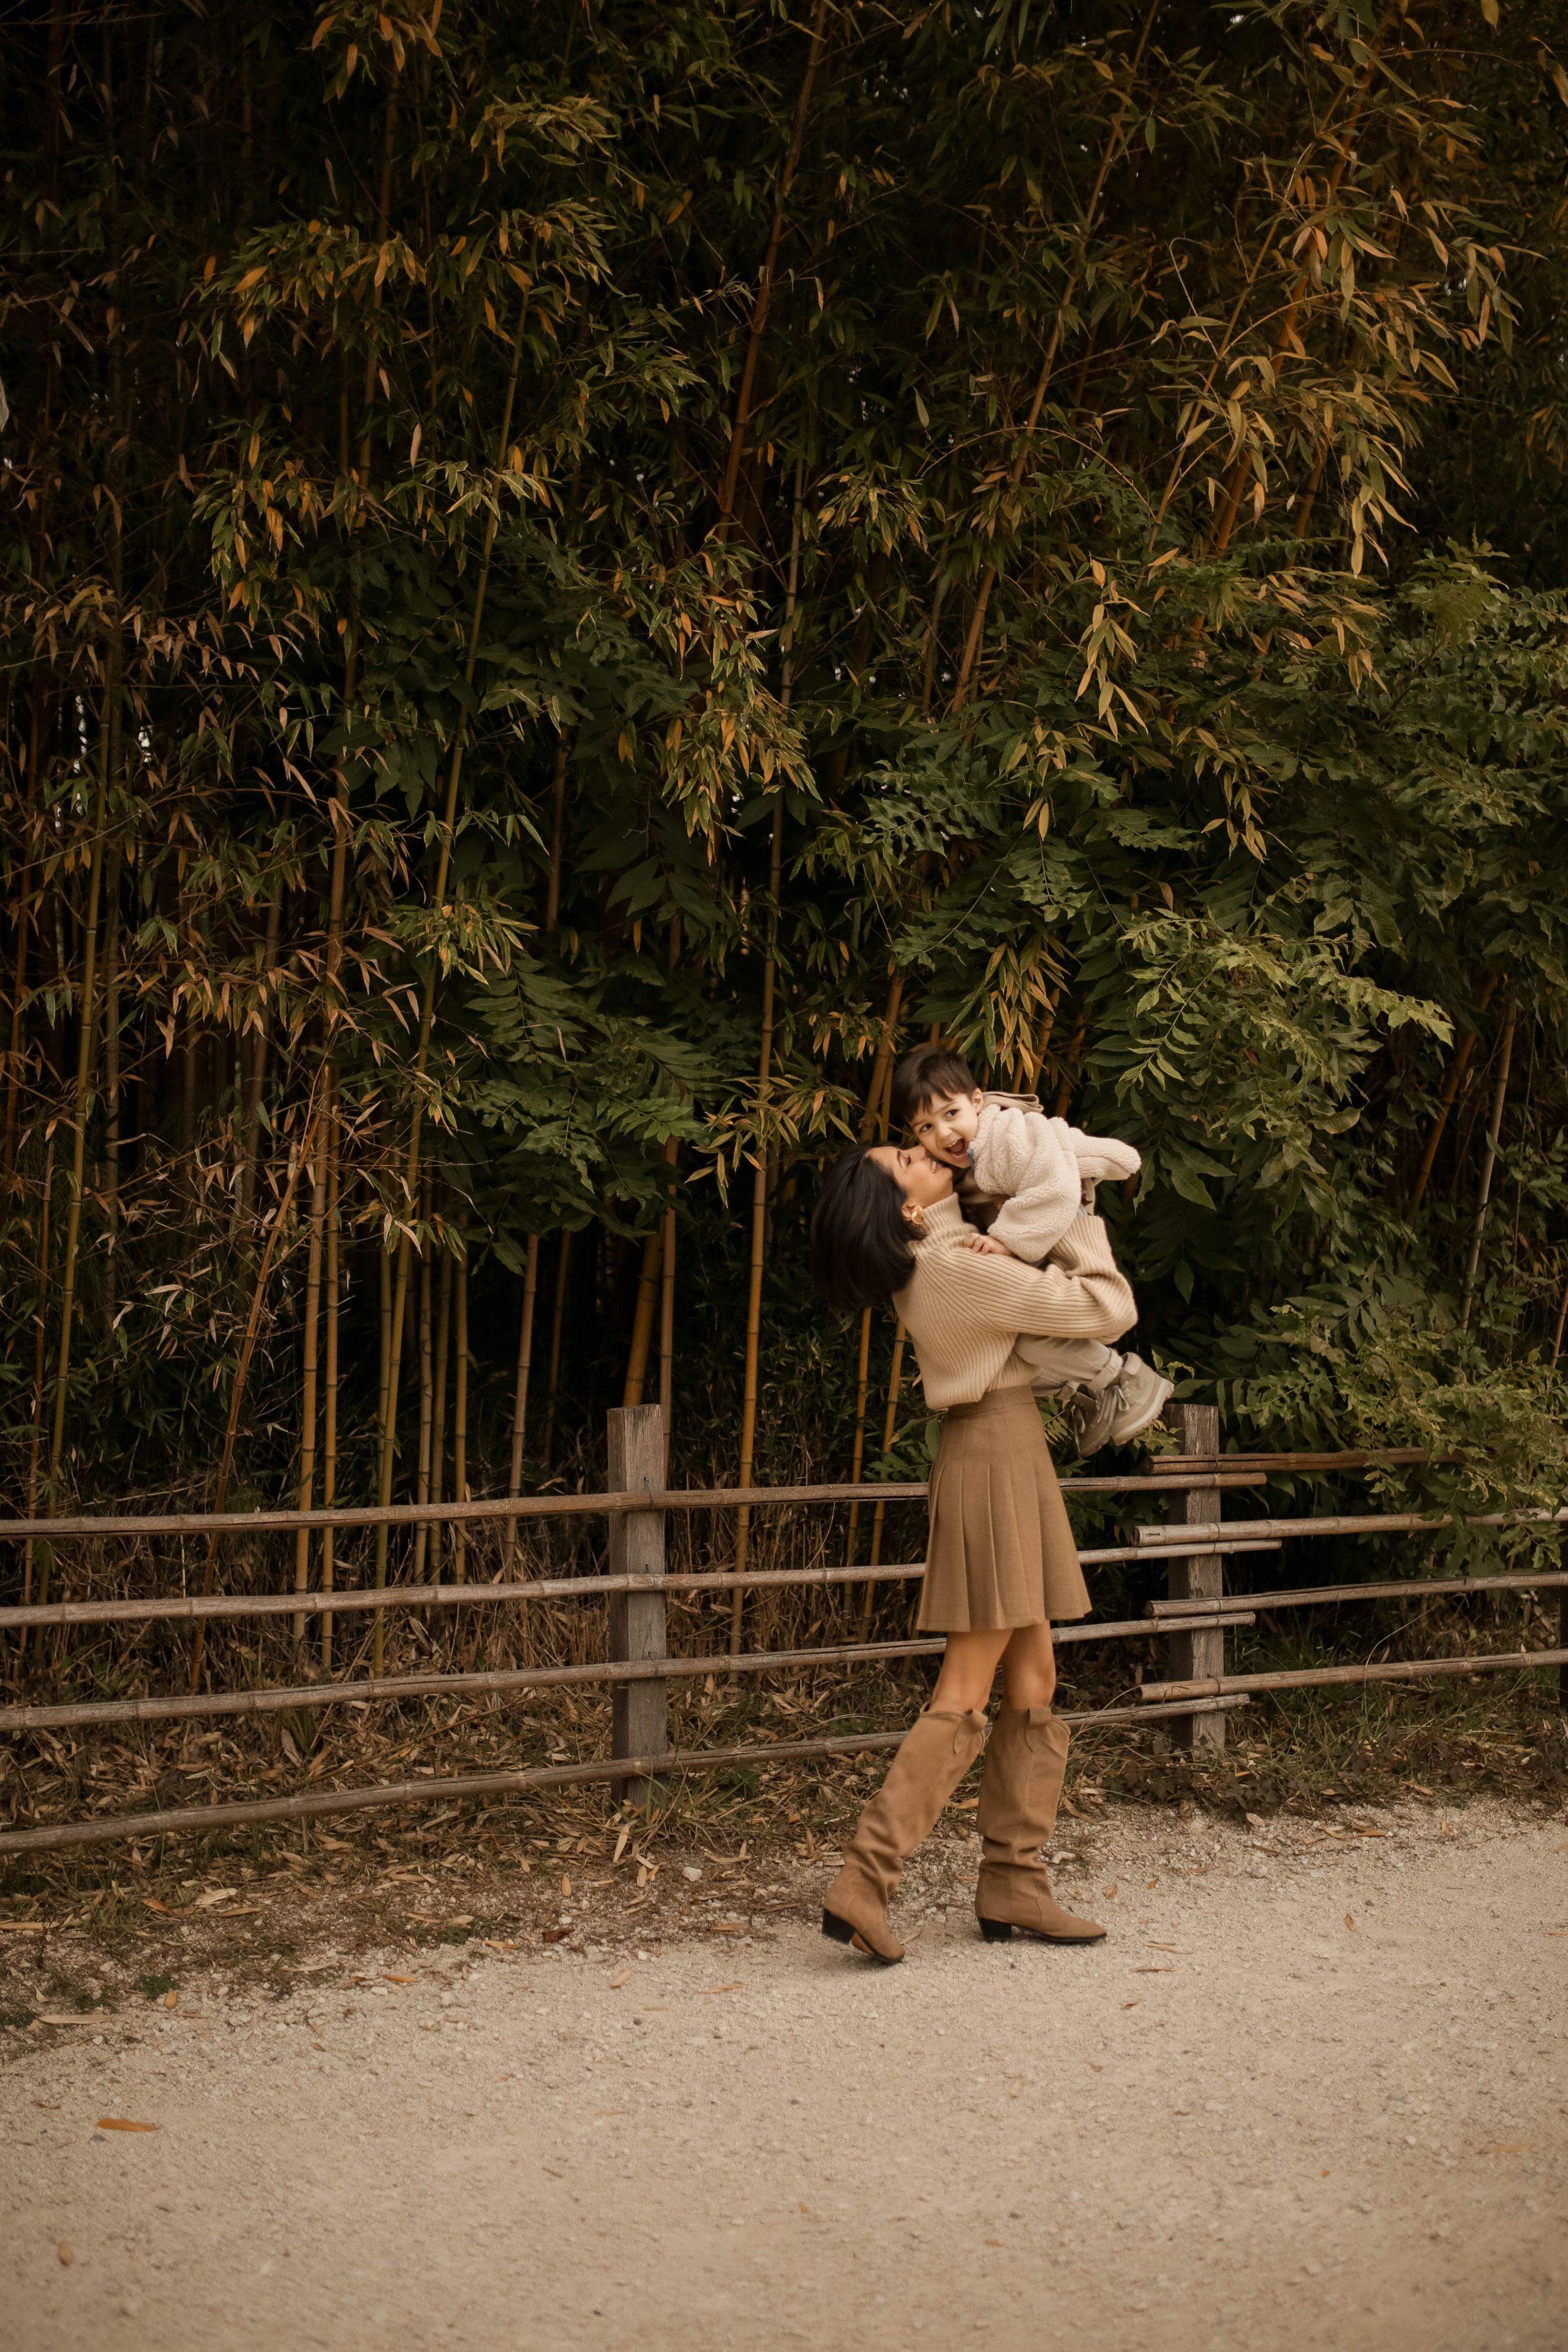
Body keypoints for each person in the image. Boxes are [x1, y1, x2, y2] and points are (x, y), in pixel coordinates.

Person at [809, 1137, 1136, 1964]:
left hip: (1009, 1449)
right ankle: (864, 1882)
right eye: (907, 1161)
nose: (927, 1149)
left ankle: (1014, 1884)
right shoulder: (957, 1268)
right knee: (966, 1687)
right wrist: (1080, 1214)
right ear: (909, 1209)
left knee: (1036, 1680)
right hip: (993, 1456)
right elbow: (1107, 1311)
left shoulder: (960, 1250)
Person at [888, 1044, 1170, 1454]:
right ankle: (1089, 1391)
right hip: (1029, 1221)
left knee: (1033, 1337)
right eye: (925, 1128)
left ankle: (1127, 1381)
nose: (943, 1135)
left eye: (951, 1114)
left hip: (1057, 1211)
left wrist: (1006, 1241)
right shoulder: (964, 1153)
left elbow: (1054, 1184)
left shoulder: (1003, 1136)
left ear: (977, 1101)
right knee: (1013, 1342)